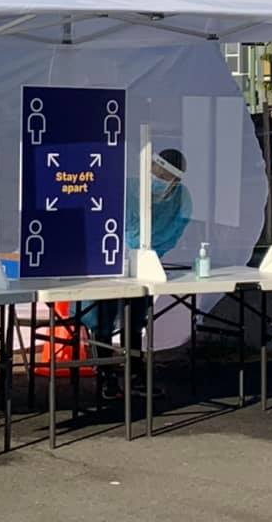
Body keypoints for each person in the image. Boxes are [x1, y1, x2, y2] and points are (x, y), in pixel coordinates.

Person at [84, 148, 192, 400]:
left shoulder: (181, 198)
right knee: (102, 317)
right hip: (110, 263)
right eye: (156, 170)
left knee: (135, 319)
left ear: (175, 181)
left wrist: (148, 254)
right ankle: (106, 376)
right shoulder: (127, 188)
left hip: (145, 266)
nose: (158, 176)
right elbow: (104, 220)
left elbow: (173, 233)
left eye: (165, 175)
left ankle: (135, 374)